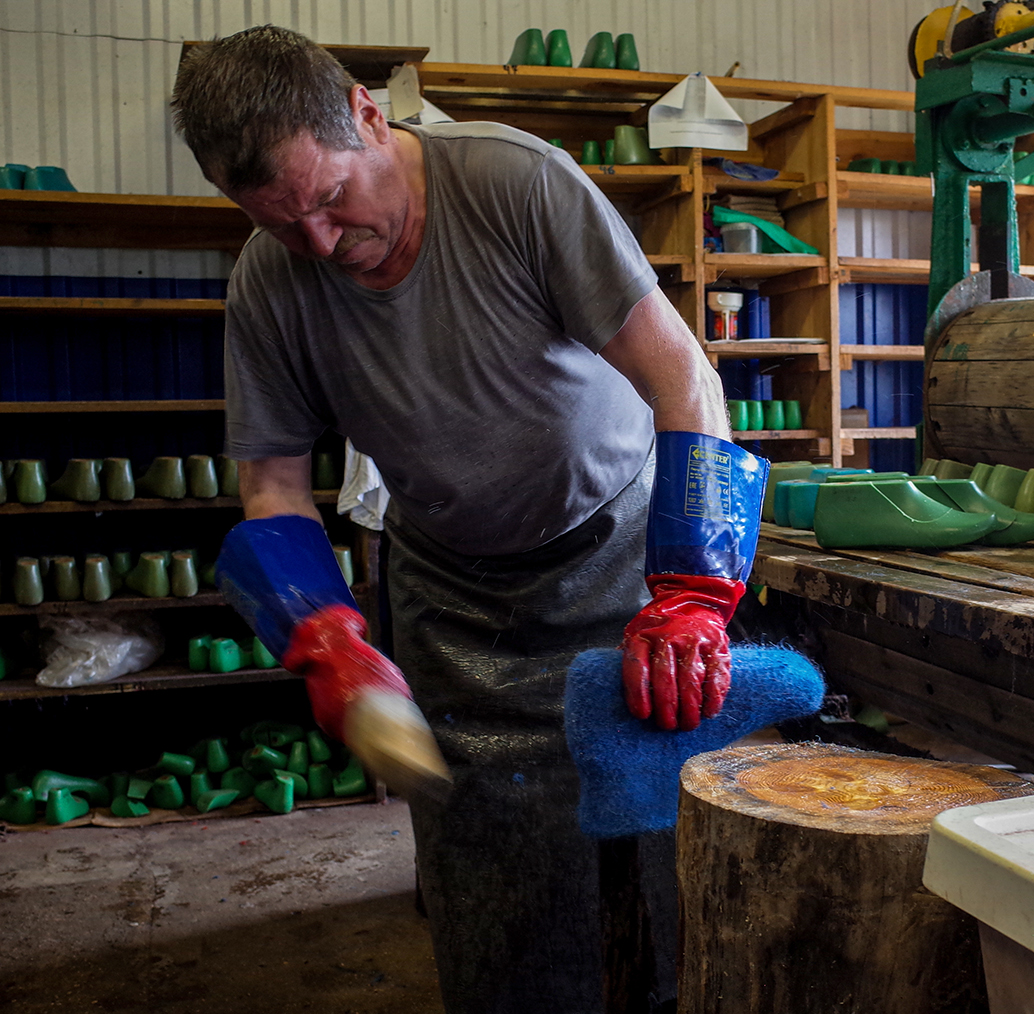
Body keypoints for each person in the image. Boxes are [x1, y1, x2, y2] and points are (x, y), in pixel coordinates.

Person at [171, 25, 767, 1014]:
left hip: (620, 561)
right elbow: (273, 484)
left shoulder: (515, 185)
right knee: (486, 863)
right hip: (448, 586)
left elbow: (685, 380)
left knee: (657, 847)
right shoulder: (269, 281)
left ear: (367, 113)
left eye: (328, 201)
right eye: (281, 223)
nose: (318, 242)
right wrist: (319, 632)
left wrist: (697, 588)